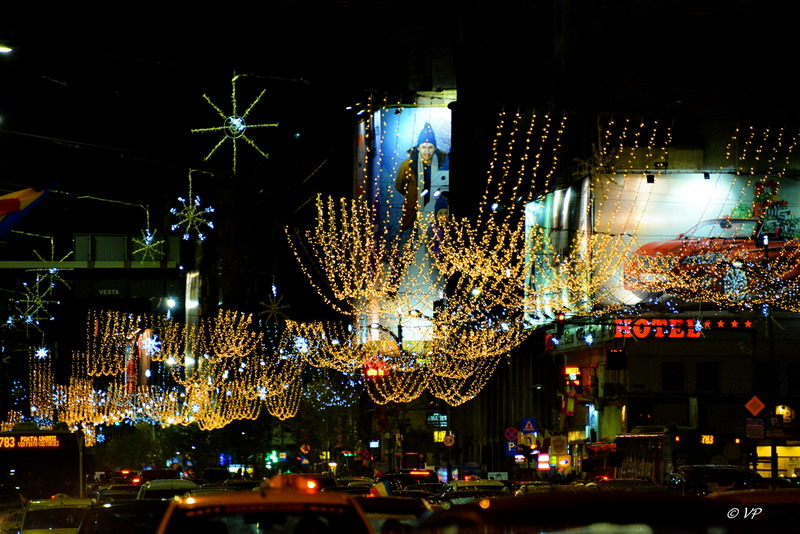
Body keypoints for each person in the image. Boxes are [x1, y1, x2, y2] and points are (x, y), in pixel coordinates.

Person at [395, 122, 450, 233]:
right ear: (418, 148)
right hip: (413, 213)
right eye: (423, 147)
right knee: (408, 239)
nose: (427, 151)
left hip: (438, 211)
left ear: (435, 148)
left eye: (430, 147)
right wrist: (413, 195)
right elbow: (399, 186)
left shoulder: (444, 162)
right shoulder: (407, 166)